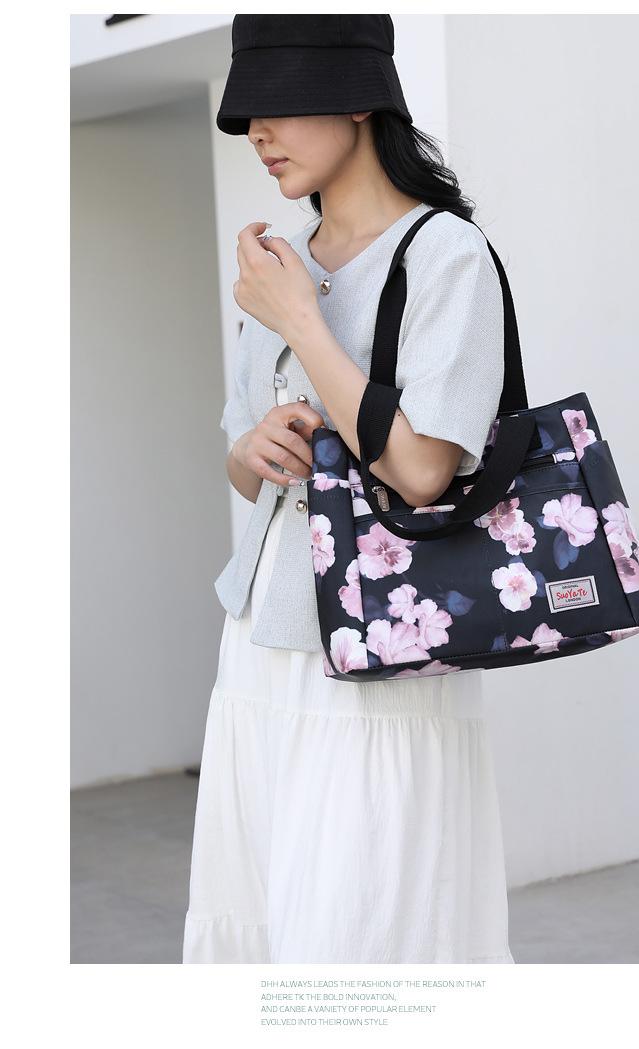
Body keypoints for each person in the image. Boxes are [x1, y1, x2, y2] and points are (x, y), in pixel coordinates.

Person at [182, 13, 515, 964]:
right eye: (245, 115)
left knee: (362, 930)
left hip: (378, 647)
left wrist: (302, 321)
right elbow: (242, 470)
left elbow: (423, 470)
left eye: (277, 106)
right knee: (263, 920)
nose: (257, 133)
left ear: (361, 99)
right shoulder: (283, 259)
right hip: (260, 639)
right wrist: (256, 444)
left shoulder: (445, 255)